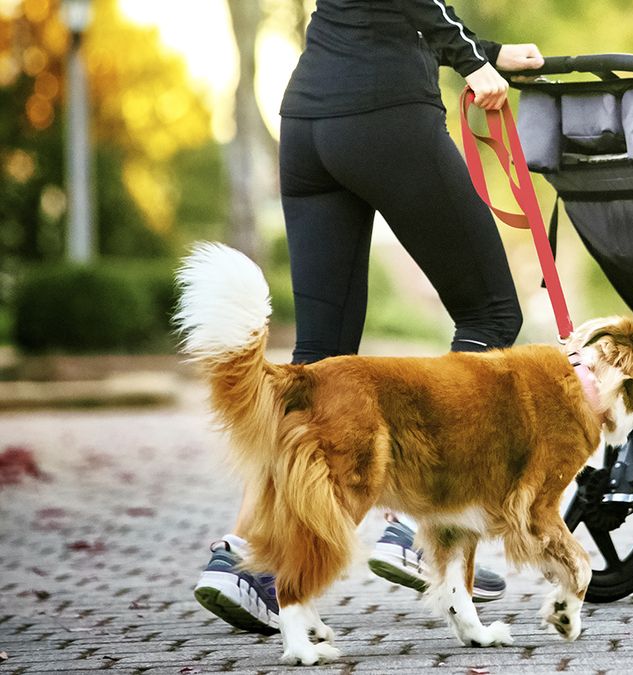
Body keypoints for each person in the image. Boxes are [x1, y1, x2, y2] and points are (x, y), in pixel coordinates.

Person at [192, 0, 544, 634]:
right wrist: (468, 59)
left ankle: (247, 558)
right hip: (385, 116)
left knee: (317, 363)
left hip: (309, 122)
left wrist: (484, 49)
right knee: (491, 310)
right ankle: (416, 526)